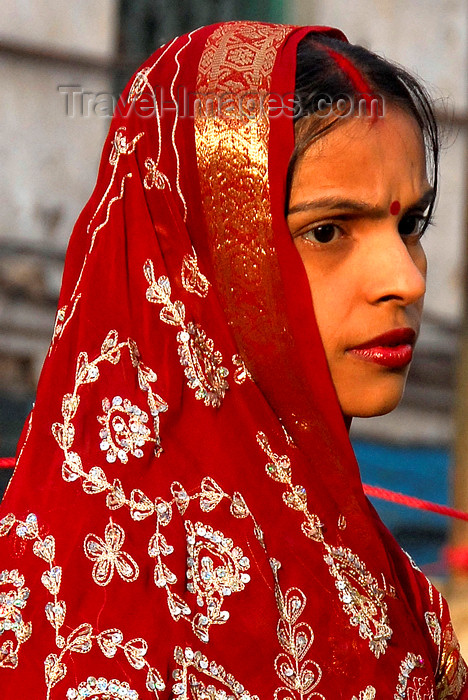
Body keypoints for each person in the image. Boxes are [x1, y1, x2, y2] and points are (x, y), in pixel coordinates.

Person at [0, 20, 466, 699]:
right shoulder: (81, 604)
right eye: (329, 231)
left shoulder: (390, 592)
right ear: (201, 262)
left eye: (409, 226)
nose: (407, 279)